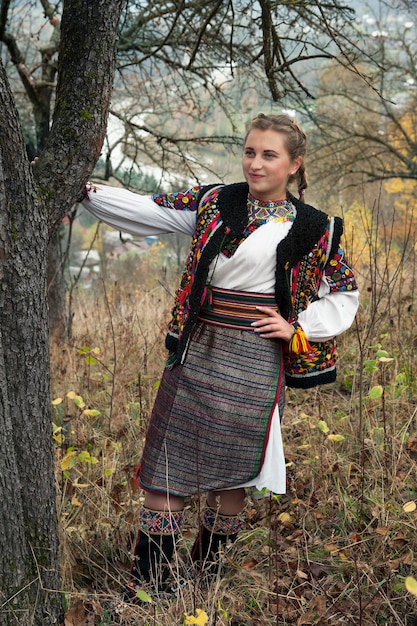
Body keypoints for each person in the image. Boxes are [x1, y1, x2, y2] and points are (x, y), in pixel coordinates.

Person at [81, 113, 359, 601]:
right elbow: (152, 211)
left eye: (269, 154)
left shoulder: (314, 228)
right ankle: (153, 586)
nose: (255, 163)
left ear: (294, 164)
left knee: (234, 472)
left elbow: (344, 292)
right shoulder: (214, 201)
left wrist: (299, 327)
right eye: (250, 152)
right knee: (167, 465)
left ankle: (205, 577)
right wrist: (83, 191)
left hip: (256, 361)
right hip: (197, 350)